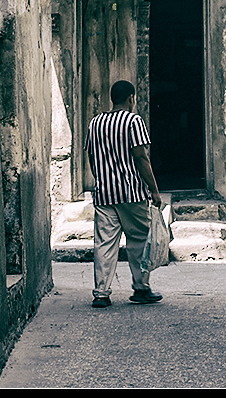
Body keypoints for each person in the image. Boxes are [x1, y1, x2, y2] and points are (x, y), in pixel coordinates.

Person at [83, 80, 163, 308]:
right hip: (131, 193)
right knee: (139, 240)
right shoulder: (133, 121)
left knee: (104, 243)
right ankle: (141, 288)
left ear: (112, 98)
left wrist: (101, 179)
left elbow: (91, 157)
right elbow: (141, 157)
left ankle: (101, 293)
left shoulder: (95, 123)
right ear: (131, 98)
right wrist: (154, 190)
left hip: (104, 194)